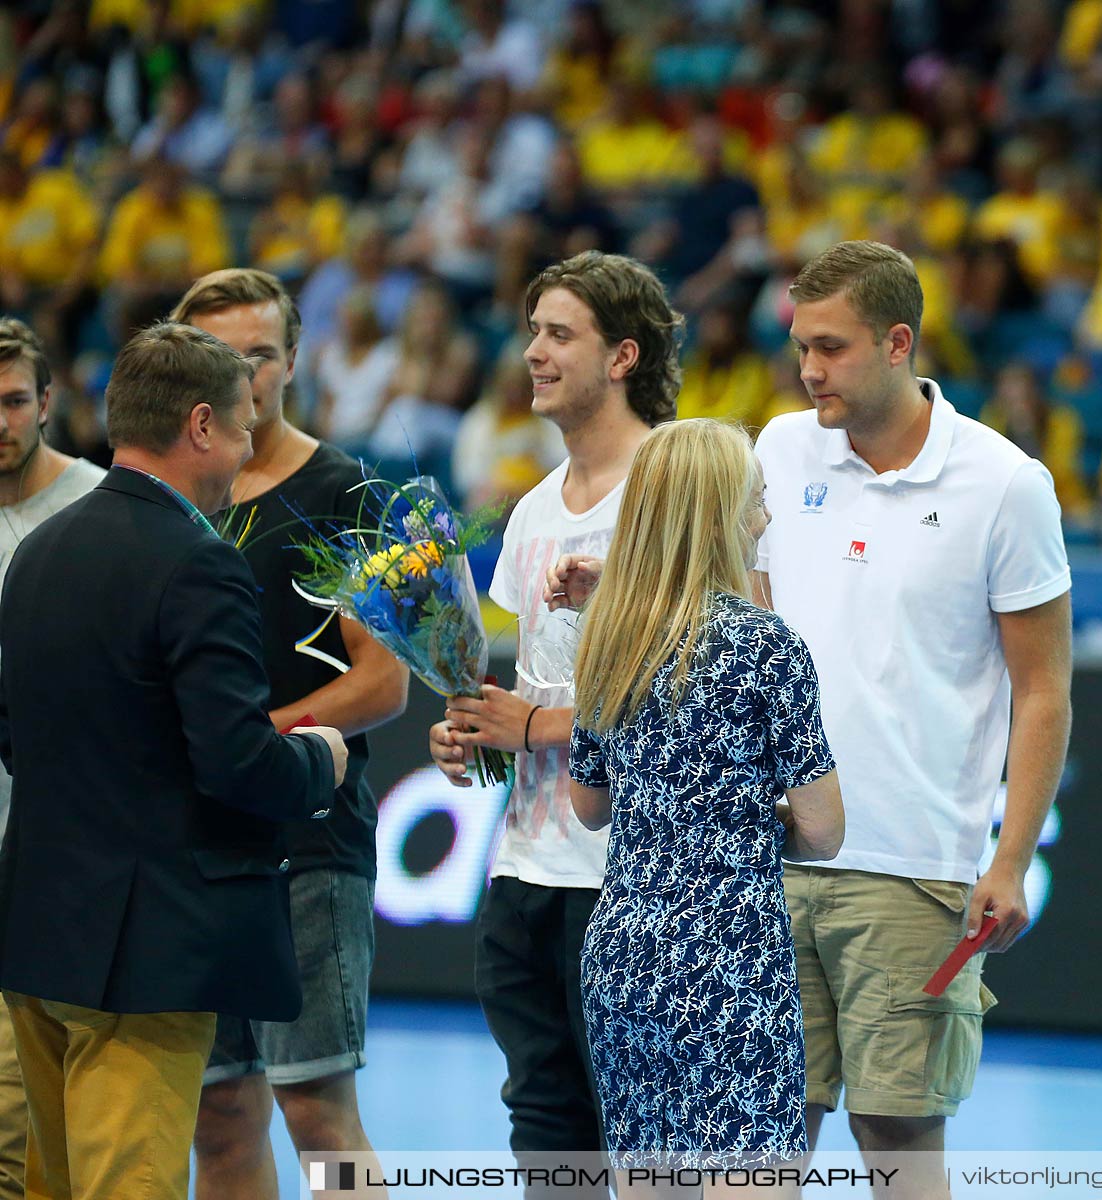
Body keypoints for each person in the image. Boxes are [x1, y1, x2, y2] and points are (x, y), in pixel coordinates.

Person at [0, 322, 347, 1200]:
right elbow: (235, 762)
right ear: (200, 426)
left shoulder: (37, 551)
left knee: (53, 1186)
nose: (242, 452)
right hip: (145, 958)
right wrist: (318, 760)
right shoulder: (198, 562)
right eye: (240, 428)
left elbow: (16, 733)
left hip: (38, 934)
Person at [758, 240, 1072, 1197]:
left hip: (914, 869)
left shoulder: (1006, 482)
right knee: (762, 1136)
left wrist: (1008, 859)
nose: (810, 370)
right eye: (801, 347)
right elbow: (748, 630)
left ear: (899, 343)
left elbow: (1045, 689)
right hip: (771, 855)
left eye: (833, 347)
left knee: (896, 1138)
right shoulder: (778, 446)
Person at [428, 252, 682, 1169]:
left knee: (652, 1143)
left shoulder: (679, 491)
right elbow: (541, 688)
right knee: (545, 1131)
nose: (532, 351)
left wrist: (533, 726)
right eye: (533, 330)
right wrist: (479, 736)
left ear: (623, 356)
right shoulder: (532, 510)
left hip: (642, 878)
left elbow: (705, 695)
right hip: (527, 870)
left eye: (558, 333)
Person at [169, 269, 410, 1200]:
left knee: (318, 1114)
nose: (243, 373)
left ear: (293, 361)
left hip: (307, 844)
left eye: (259, 354)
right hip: (194, 850)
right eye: (220, 355)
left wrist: (248, 735)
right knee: (219, 1116)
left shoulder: (350, 493)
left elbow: (384, 681)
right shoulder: (173, 497)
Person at [562, 419, 842, 1189]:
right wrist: (750, 818)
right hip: (730, 963)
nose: (766, 517)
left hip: (623, 954)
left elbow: (589, 805)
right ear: (718, 513)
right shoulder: (765, 647)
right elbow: (822, 828)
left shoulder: (607, 637)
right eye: (756, 500)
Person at [0, 319, 104, 1200]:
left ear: (46, 403)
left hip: (62, 863)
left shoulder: (98, 509)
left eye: (13, 401)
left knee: (34, 1133)